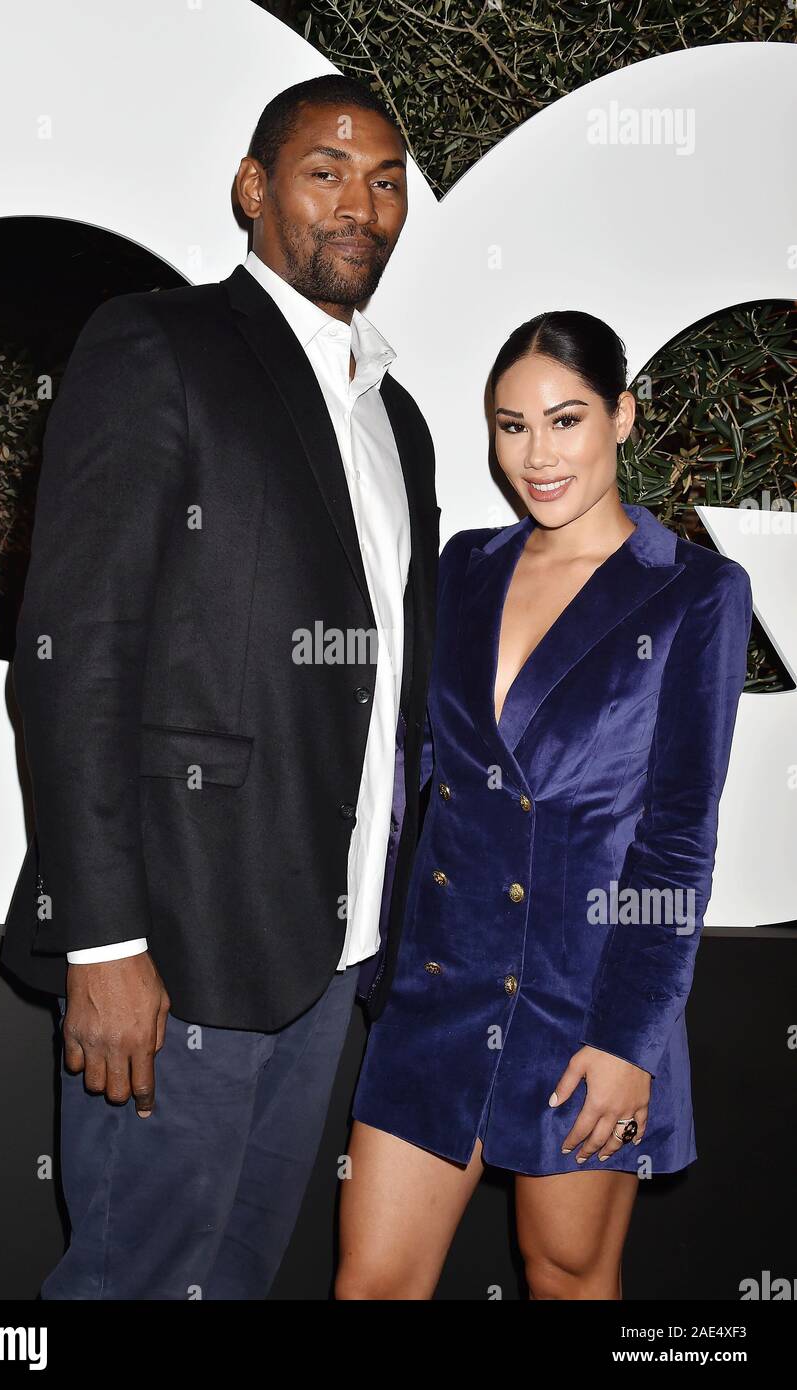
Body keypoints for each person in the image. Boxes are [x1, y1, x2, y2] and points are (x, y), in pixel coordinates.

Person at [0, 73, 440, 1300]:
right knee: (135, 1283)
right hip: (176, 950)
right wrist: (106, 941)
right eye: (326, 172)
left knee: (231, 1282)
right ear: (253, 190)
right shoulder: (161, 342)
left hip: (333, 954)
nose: (363, 203)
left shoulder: (397, 421)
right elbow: (74, 653)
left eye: (387, 179)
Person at [339, 310, 752, 1300]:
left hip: (586, 996)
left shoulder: (694, 593)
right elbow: (411, 773)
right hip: (439, 987)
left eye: (565, 420)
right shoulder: (463, 570)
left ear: (621, 415)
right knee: (372, 1281)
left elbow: (677, 838)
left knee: (567, 1278)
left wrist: (628, 1040)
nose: (536, 453)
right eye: (510, 424)